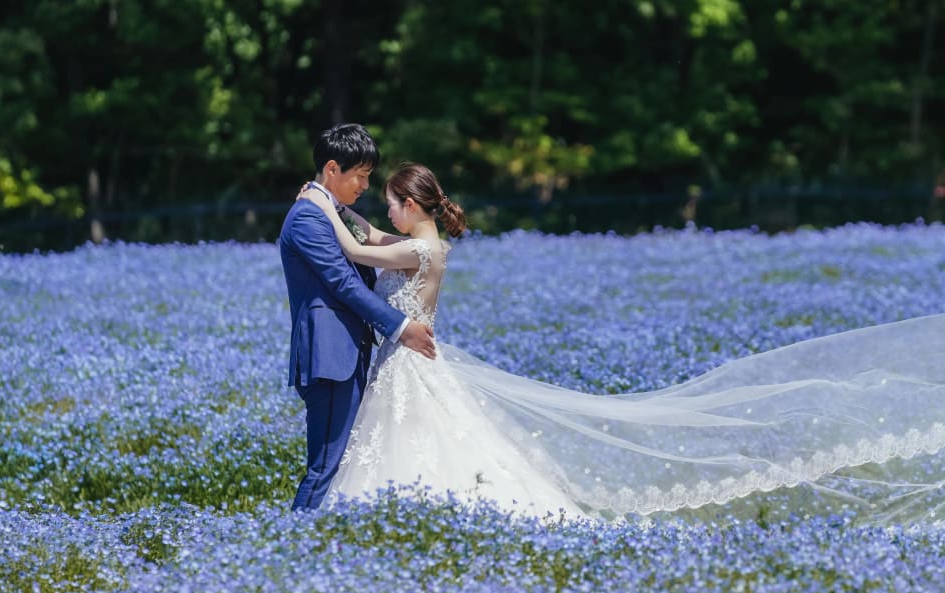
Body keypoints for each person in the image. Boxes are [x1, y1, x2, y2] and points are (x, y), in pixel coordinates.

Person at [301, 163, 945, 525]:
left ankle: (411, 519)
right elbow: (373, 241)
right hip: (407, 360)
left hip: (410, 361)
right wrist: (345, 208)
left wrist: (321, 204)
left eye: (389, 203)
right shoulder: (418, 242)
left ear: (412, 205)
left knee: (420, 442)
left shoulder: (422, 247)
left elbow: (360, 249)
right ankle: (403, 518)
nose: (384, 212)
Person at [279, 124, 436, 511]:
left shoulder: (331, 212)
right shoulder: (307, 218)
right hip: (330, 356)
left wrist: (430, 245)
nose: (365, 185)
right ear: (332, 169)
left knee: (342, 465)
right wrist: (401, 328)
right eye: (361, 176)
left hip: (348, 354)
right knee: (326, 467)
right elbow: (343, 285)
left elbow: (374, 239)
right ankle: (295, 544)